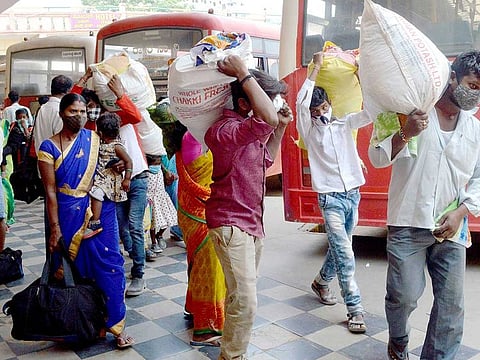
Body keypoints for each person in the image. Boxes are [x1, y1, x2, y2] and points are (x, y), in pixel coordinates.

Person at [368, 50, 480, 359]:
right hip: (407, 222)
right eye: (473, 85)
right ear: (453, 77)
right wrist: (405, 133)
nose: (476, 95)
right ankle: (399, 340)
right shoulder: (411, 111)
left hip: (451, 228)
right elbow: (377, 157)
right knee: (403, 297)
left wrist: (461, 212)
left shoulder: (474, 129)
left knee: (452, 304)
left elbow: (479, 177)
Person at [204, 54, 292, 360]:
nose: (275, 107)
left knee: (238, 295)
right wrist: (243, 71)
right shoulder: (225, 130)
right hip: (230, 223)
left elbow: (264, 161)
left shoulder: (248, 128)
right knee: (246, 300)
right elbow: (265, 118)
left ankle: (230, 346)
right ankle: (232, 356)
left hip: (251, 223)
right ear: (244, 103)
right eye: (268, 101)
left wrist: (279, 129)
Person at [37, 93, 134, 348]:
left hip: (100, 208)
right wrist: (55, 228)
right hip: (67, 213)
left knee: (109, 262)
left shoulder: (94, 139)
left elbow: (109, 165)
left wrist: (119, 168)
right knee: (75, 268)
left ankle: (115, 326)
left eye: (82, 112)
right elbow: (49, 192)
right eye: (73, 112)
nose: (79, 117)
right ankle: (79, 324)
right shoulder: (48, 148)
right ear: (61, 113)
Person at [296, 52, 371, 334]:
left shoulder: (344, 124)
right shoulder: (309, 130)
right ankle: (355, 309)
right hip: (330, 199)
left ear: (330, 103)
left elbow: (371, 110)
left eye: (323, 107)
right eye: (316, 112)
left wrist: (362, 75)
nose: (320, 114)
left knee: (341, 249)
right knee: (345, 252)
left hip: (353, 194)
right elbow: (301, 103)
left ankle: (321, 281)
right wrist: (314, 67)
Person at [72, 69, 149, 297]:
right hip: (113, 187)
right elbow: (69, 103)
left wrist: (120, 93)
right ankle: (127, 267)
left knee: (134, 226)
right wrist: (84, 80)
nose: (92, 110)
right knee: (122, 228)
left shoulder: (117, 118)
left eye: (96, 105)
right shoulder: (91, 131)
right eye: (89, 107)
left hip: (137, 178)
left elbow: (136, 116)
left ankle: (139, 274)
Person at [176, 131, 226, 347]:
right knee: (210, 267)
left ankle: (194, 306)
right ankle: (205, 330)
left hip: (193, 211)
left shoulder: (197, 137)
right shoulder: (193, 138)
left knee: (199, 263)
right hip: (201, 214)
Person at [84, 112, 133, 239]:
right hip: (102, 176)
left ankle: (95, 221)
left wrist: (127, 178)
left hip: (108, 179)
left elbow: (128, 161)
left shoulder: (116, 146)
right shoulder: (101, 143)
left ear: (100, 132)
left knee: (96, 193)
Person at [33, 75, 73, 155]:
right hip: (57, 160)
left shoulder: (42, 108)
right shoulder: (61, 110)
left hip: (42, 158)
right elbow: (63, 140)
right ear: (68, 91)